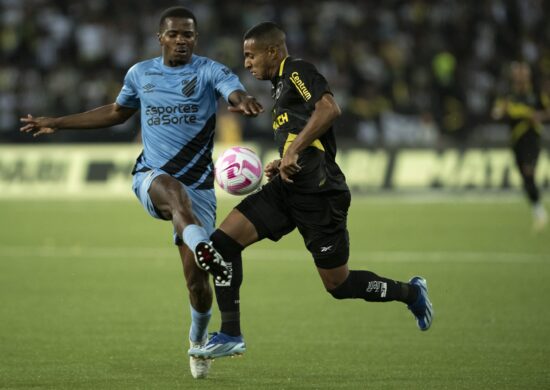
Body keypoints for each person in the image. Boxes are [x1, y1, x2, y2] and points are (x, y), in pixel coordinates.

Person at [19, 6, 263, 379]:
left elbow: (233, 89)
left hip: (199, 185)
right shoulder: (140, 73)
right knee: (172, 192)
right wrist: (57, 122)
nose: (182, 41)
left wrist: (241, 100)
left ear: (195, 39)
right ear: (160, 37)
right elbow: (118, 112)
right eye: (175, 34)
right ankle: (203, 245)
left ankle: (198, 342)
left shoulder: (209, 70)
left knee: (197, 284)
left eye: (189, 35)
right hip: (153, 175)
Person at [189, 22, 433, 360]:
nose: (246, 63)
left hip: (320, 193)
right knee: (222, 245)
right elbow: (302, 134)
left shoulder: (297, 71)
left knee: (339, 285)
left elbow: (329, 108)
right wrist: (283, 160)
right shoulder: (278, 89)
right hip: (287, 189)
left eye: (250, 55)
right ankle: (231, 333)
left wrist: (292, 152)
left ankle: (410, 293)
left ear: (272, 51)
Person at [491, 61, 550, 231]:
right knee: (526, 180)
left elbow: (547, 111)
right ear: (514, 76)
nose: (521, 76)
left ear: (528, 75)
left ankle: (540, 213)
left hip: (531, 137)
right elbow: (495, 112)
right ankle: (538, 210)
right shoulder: (508, 95)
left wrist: (538, 116)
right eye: (518, 73)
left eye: (524, 73)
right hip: (516, 140)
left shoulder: (537, 94)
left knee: (528, 170)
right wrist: (502, 111)